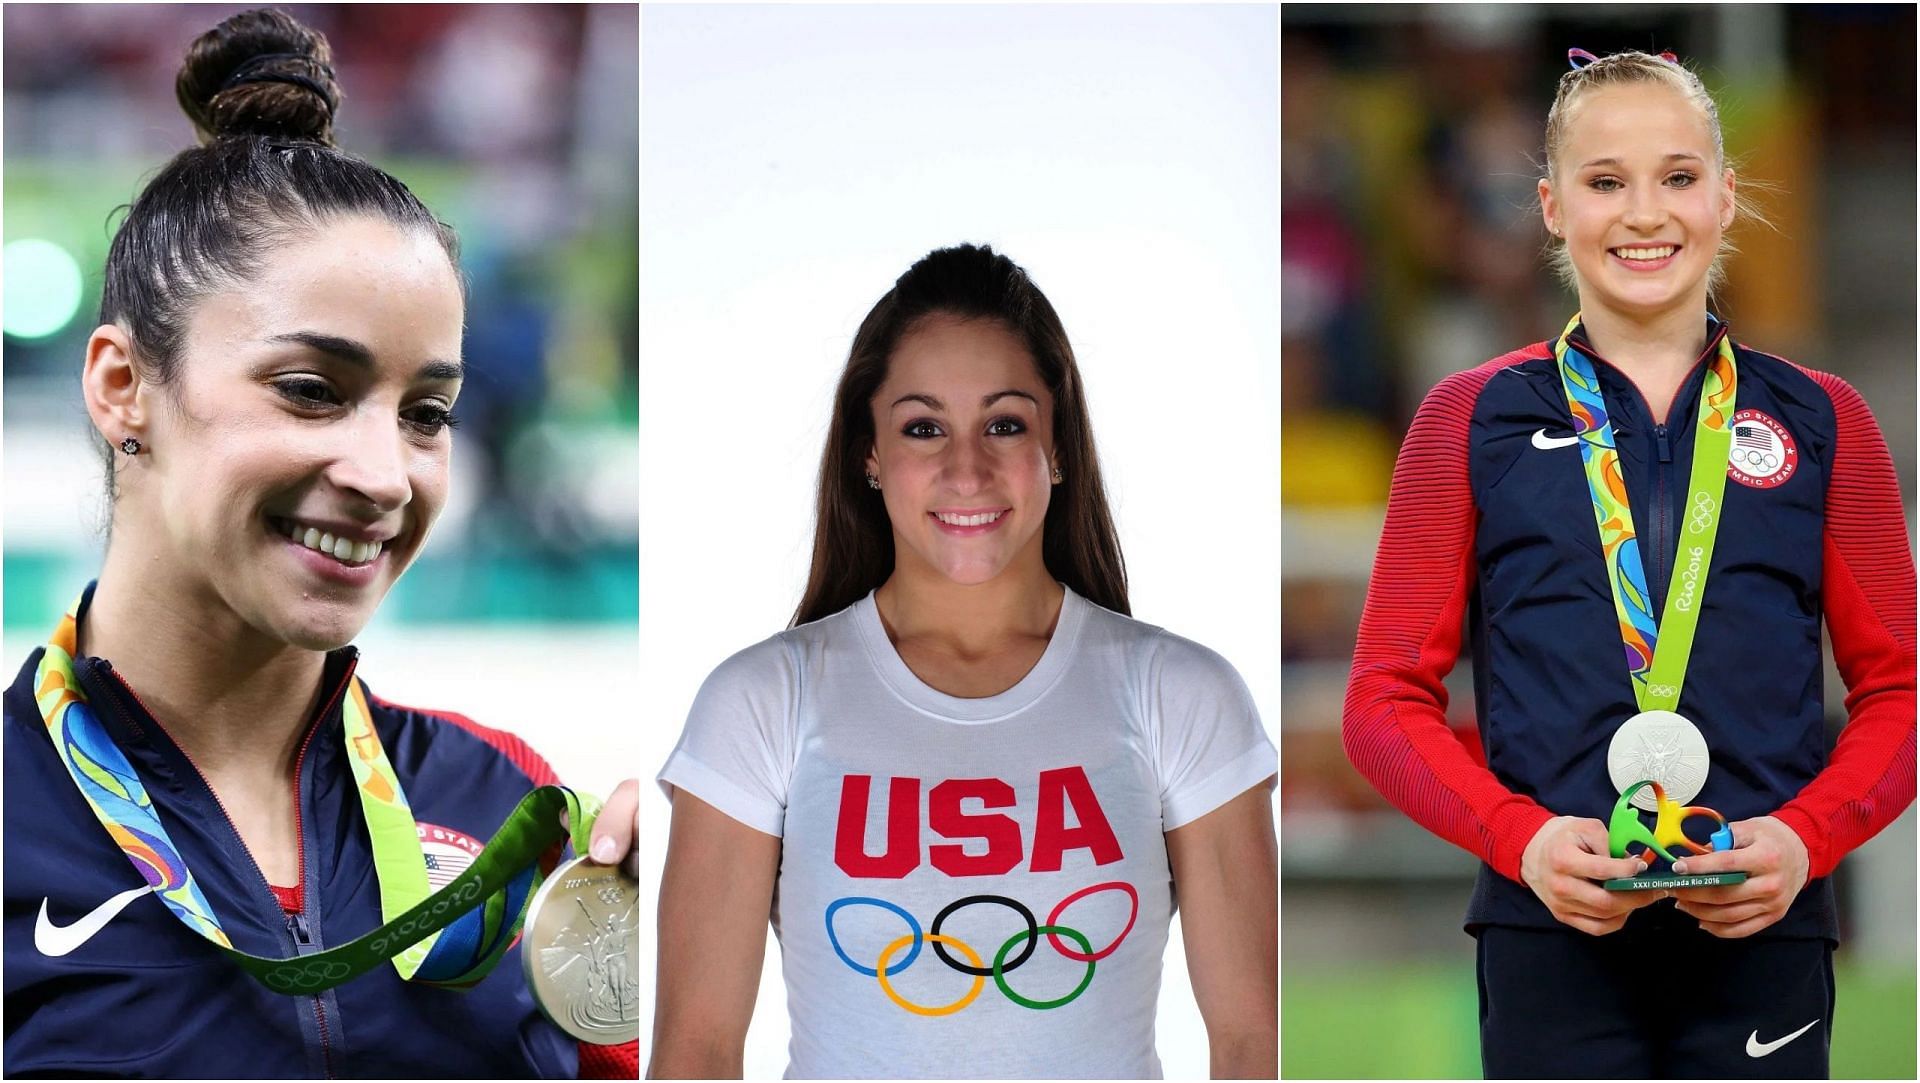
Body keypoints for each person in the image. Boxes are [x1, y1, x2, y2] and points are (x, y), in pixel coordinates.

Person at [2, 10, 638, 1077]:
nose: (385, 474)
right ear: (124, 388)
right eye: (311, 391)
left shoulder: (510, 814)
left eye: (426, 413)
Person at [1343, 48, 1915, 1079]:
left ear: (1726, 198)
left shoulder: (1826, 420)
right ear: (1553, 206)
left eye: (1679, 178)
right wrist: (1517, 841)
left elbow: (1903, 691)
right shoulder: (1466, 419)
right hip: (1550, 935)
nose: (1644, 213)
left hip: (1762, 931)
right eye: (1606, 182)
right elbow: (1382, 700)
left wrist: (1805, 841)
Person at [650, 244, 1277, 1079]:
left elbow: (1251, 1042)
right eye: (923, 427)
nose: (967, 467)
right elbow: (695, 1050)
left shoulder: (1183, 695)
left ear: (1058, 446)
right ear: (869, 454)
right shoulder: (761, 701)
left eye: (1005, 423)